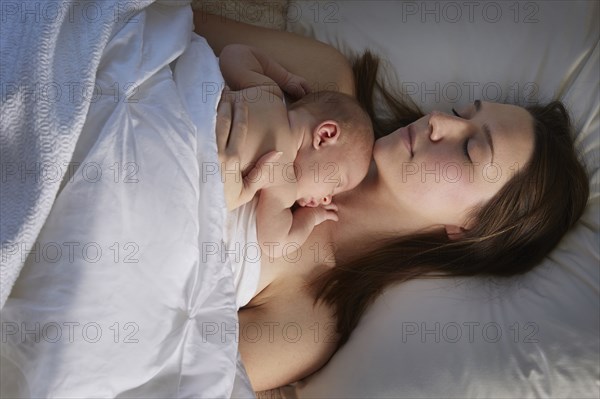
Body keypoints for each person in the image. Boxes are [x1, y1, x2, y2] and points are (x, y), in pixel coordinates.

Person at [195, 11, 590, 391]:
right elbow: (168, 25)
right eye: (461, 112)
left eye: (470, 149)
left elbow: (162, 369)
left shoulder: (306, 320)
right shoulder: (322, 84)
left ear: (469, 229)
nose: (438, 120)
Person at [217, 44, 373, 259]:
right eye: (336, 184)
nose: (327, 199)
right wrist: (312, 218)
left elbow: (233, 53)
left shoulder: (267, 92)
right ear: (325, 135)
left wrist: (284, 78)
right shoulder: (283, 180)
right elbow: (275, 244)